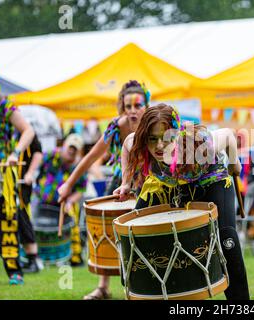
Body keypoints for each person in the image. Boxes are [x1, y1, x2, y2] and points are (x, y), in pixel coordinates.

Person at [115, 104, 250, 300]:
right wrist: (125, 183)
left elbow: (229, 135)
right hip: (170, 184)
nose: (159, 146)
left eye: (166, 138)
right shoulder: (140, 141)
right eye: (153, 139)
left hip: (212, 181)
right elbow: (127, 145)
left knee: (225, 239)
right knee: (134, 233)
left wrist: (234, 163)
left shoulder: (200, 143)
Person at [57, 80, 150, 300]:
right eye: (128, 107)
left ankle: (149, 284)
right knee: (106, 226)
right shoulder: (116, 126)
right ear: (122, 107)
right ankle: (103, 286)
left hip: (149, 181)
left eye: (138, 105)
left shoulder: (154, 123)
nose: (133, 111)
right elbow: (91, 157)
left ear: (147, 105)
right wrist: (69, 184)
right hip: (121, 180)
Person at [0, 69, 35, 285]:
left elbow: (28, 131)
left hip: (3, 174)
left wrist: (14, 153)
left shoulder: (4, 106)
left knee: (7, 220)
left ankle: (14, 270)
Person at [33, 133, 87, 267]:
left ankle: (75, 258)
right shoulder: (50, 156)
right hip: (42, 200)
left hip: (64, 203)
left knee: (73, 223)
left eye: (75, 150)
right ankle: (34, 257)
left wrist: (70, 201)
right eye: (70, 148)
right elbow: (36, 169)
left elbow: (81, 190)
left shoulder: (79, 167)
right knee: (33, 226)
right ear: (64, 146)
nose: (71, 151)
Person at [16, 134, 43, 273]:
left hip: (20, 185)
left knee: (23, 219)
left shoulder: (27, 130)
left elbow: (38, 151)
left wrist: (30, 173)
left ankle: (33, 259)